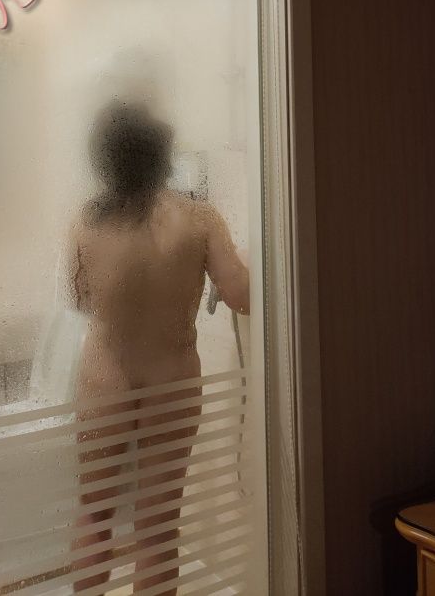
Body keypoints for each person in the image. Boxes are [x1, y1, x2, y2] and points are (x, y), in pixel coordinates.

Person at [69, 102, 250, 594]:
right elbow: (242, 296)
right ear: (164, 156)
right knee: (156, 529)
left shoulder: (87, 221)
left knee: (94, 514)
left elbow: (80, 298)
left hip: (104, 375)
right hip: (171, 378)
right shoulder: (200, 219)